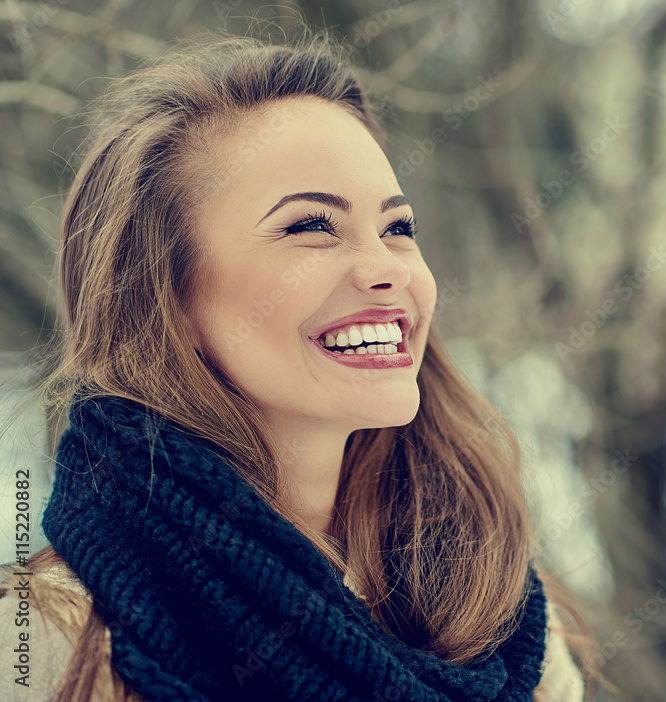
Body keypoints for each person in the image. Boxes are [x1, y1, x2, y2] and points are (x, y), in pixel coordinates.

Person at [0, 28, 597, 702]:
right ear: (167, 298)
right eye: (311, 226)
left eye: (398, 228)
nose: (385, 269)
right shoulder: (47, 643)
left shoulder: (502, 621)